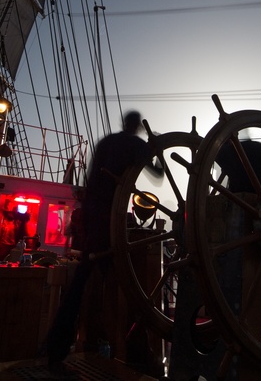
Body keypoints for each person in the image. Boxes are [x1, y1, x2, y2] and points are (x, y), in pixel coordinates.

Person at [42, 111, 161, 370]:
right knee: (128, 287)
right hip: (110, 221)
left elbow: (91, 178)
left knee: (82, 282)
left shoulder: (106, 142)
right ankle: (135, 352)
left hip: (92, 218)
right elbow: (158, 174)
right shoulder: (137, 145)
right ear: (138, 127)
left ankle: (58, 348)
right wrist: (157, 149)